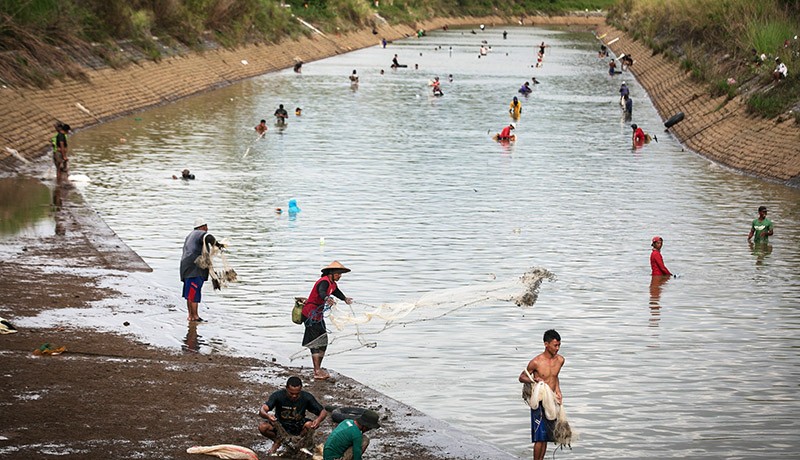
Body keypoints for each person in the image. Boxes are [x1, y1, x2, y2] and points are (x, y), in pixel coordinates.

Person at [301, 261, 353, 380]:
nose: (340, 276)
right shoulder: (324, 281)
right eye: (338, 273)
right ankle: (317, 371)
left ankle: (318, 367)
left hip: (317, 315)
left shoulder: (332, 284)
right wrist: (326, 298)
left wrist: (345, 299)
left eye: (340, 274)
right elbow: (322, 292)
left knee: (323, 340)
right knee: (315, 341)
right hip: (310, 314)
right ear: (331, 273)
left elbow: (336, 292)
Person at [518, 329, 564, 460]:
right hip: (539, 402)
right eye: (555, 345)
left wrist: (559, 392)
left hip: (552, 401)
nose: (557, 348)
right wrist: (534, 380)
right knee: (539, 437)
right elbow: (521, 377)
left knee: (546, 438)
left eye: (559, 345)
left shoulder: (560, 360)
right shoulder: (536, 362)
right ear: (546, 344)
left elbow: (555, 377)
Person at [258, 376, 328, 455]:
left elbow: (323, 412)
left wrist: (318, 420)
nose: (294, 396)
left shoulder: (307, 397)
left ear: (301, 389)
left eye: (297, 394)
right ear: (286, 389)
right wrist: (267, 416)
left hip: (298, 424)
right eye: (291, 393)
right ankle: (278, 441)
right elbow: (262, 410)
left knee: (310, 425)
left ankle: (299, 442)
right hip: (280, 424)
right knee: (263, 427)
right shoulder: (278, 395)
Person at [180, 218, 223, 322]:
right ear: (203, 227)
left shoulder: (190, 235)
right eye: (206, 227)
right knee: (194, 293)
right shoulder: (200, 234)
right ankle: (195, 317)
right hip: (195, 268)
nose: (207, 229)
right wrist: (217, 244)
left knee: (190, 294)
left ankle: (190, 316)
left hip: (186, 268)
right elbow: (208, 237)